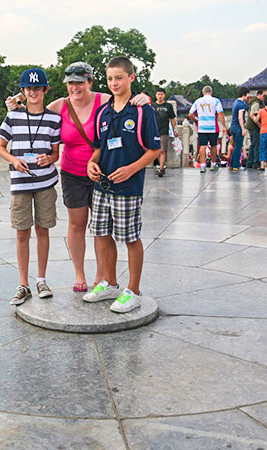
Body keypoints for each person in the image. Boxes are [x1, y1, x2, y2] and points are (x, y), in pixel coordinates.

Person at [4, 61, 149, 293]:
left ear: (89, 82)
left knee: (101, 228)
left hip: (100, 172)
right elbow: (34, 107)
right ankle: (79, 273)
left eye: (80, 82)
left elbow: (127, 100)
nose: (75, 87)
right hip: (72, 172)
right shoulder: (59, 105)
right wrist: (17, 101)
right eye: (71, 83)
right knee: (77, 224)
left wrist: (144, 97)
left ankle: (101, 275)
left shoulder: (103, 100)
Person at [83, 57, 160, 313]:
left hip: (128, 187)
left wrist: (131, 169)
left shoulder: (142, 111)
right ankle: (109, 282)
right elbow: (98, 147)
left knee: (130, 237)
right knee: (102, 234)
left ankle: (134, 290)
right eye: (110, 78)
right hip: (102, 185)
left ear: (131, 78)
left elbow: (153, 149)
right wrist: (91, 164)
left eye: (119, 77)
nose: (114, 83)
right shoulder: (102, 112)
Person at [0, 68, 61, 305]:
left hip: (45, 181)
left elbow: (56, 152)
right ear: (24, 91)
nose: (33, 92)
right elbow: (1, 147)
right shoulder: (13, 117)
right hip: (20, 183)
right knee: (22, 232)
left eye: (37, 88)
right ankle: (23, 283)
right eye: (29, 88)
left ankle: (41, 279)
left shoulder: (54, 118)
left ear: (45, 90)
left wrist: (50, 159)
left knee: (43, 229)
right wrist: (14, 160)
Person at [189, 85, 225, 173]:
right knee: (213, 145)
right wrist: (224, 126)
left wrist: (196, 121)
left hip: (201, 127)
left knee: (202, 146)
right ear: (211, 92)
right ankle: (213, 163)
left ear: (203, 92)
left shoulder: (198, 101)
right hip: (213, 127)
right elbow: (220, 113)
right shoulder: (216, 101)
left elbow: (190, 114)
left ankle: (202, 165)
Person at [152, 87, 176, 176]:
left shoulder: (168, 106)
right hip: (155, 131)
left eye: (161, 94)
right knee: (157, 150)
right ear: (156, 95)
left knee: (162, 150)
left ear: (164, 95)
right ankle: (160, 166)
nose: (160, 96)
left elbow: (172, 118)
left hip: (164, 131)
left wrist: (174, 129)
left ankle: (161, 169)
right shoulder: (153, 106)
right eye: (158, 94)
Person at [229, 86, 249, 172]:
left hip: (233, 126)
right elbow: (240, 117)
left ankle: (232, 164)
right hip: (238, 127)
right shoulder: (241, 104)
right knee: (238, 147)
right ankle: (236, 165)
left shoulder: (235, 102)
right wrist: (243, 129)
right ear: (244, 94)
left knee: (236, 146)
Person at [245, 90, 265, 169]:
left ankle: (250, 162)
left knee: (253, 144)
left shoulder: (256, 102)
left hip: (252, 126)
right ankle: (255, 162)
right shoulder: (256, 103)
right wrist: (259, 125)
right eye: (264, 96)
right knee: (256, 144)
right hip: (254, 126)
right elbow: (252, 115)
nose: (264, 98)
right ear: (259, 95)